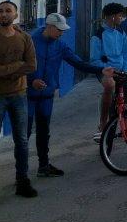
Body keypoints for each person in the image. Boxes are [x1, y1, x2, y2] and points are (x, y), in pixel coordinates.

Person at [27, 14, 113, 177]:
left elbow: (78, 62)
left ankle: (44, 166)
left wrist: (100, 70)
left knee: (44, 130)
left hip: (46, 94)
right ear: (50, 27)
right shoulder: (30, 41)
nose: (62, 33)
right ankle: (21, 174)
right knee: (24, 132)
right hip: (28, 94)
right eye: (59, 30)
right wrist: (31, 81)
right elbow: (20, 65)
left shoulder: (60, 45)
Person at [0, 1, 38, 207]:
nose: (3, 14)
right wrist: (18, 65)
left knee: (22, 140)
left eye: (8, 11)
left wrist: (9, 68)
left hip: (19, 95)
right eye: (0, 11)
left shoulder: (25, 38)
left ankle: (22, 181)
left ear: (16, 14)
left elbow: (32, 65)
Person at [91, 3, 127, 153]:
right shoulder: (98, 35)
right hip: (106, 71)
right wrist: (107, 70)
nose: (122, 18)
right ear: (112, 16)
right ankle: (103, 124)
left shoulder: (121, 32)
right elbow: (94, 59)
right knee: (110, 86)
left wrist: (125, 70)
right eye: (120, 15)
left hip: (122, 72)